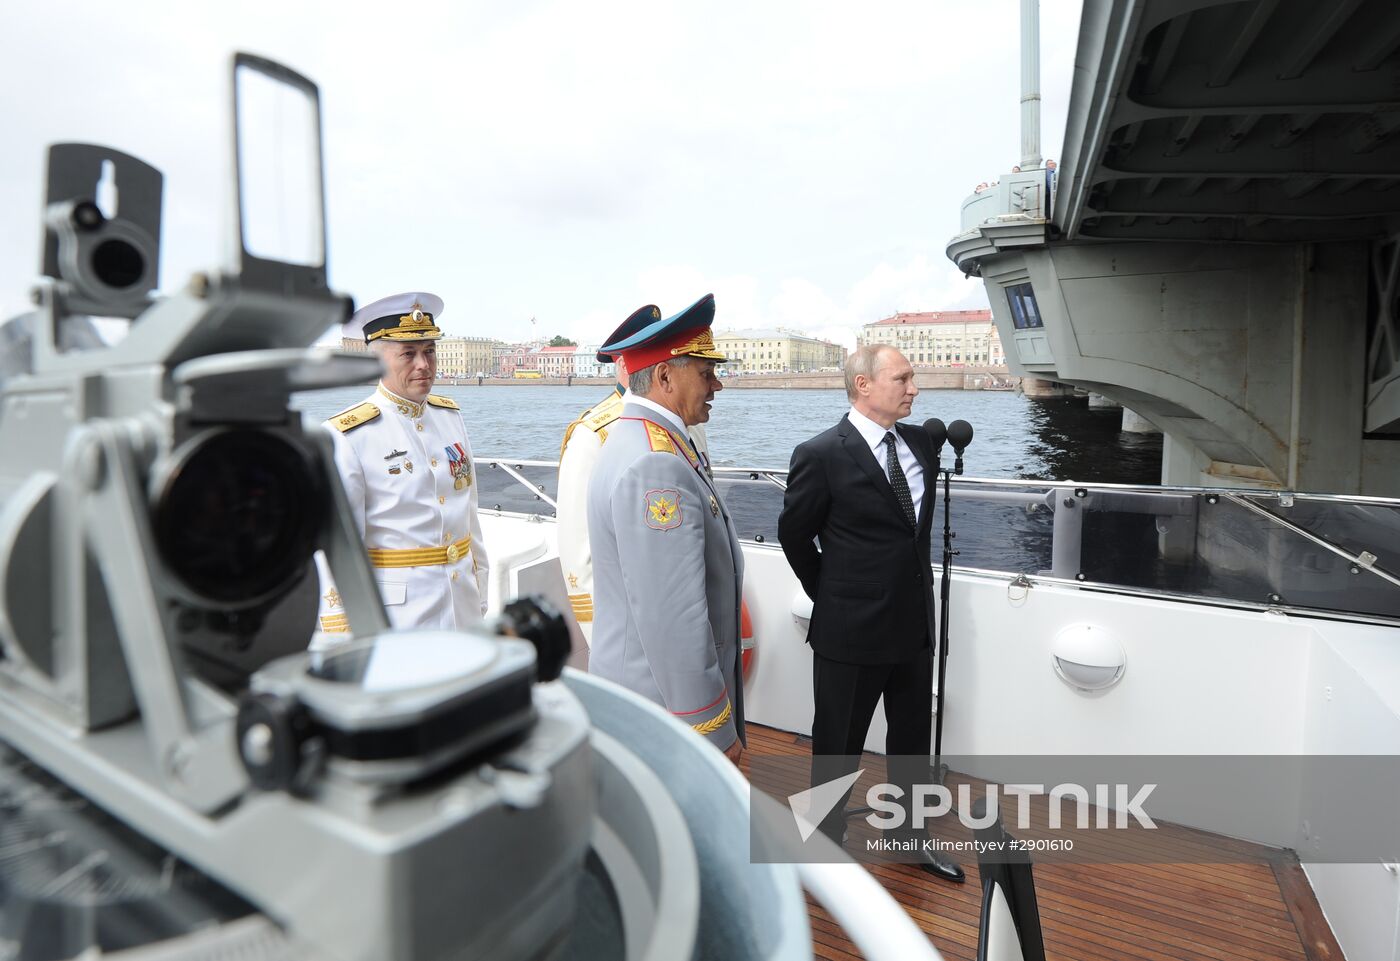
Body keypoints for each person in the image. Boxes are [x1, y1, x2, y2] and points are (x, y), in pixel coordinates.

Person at [776, 344, 964, 881]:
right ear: (864, 385)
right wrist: (831, 598)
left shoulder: (922, 444)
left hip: (912, 626)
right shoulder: (821, 454)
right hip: (850, 632)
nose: (914, 388)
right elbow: (795, 535)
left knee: (911, 740)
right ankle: (824, 852)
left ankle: (909, 839)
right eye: (902, 378)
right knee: (838, 744)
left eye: (912, 378)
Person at [586, 294, 744, 760]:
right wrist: (711, 729)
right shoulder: (655, 462)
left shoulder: (643, 441)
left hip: (646, 699)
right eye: (705, 372)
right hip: (662, 711)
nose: (717, 385)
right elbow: (673, 616)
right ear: (664, 376)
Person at [314, 292, 489, 638]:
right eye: (408, 354)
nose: (423, 365)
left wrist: (480, 594)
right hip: (400, 622)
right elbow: (338, 551)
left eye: (429, 351)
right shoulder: (348, 436)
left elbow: (469, 517)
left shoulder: (450, 418)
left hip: (463, 608)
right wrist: (341, 635)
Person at [556, 305, 712, 643]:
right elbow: (579, 556)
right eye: (640, 354)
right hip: (634, 636)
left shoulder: (687, 423)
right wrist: (612, 643)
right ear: (623, 365)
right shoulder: (594, 435)